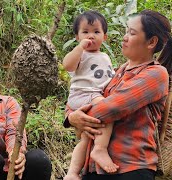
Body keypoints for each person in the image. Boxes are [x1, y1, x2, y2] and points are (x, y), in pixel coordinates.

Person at [63, 10, 172, 180]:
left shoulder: (156, 74)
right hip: (94, 168)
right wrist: (71, 117)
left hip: (131, 168)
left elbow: (111, 108)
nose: (124, 37)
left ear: (151, 42)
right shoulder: (116, 72)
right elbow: (82, 96)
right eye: (126, 31)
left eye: (131, 33)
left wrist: (75, 119)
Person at [62, 11, 117, 180]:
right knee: (108, 108)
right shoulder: (81, 54)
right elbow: (67, 66)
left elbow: (110, 78)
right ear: (77, 37)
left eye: (96, 32)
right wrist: (79, 49)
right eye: (85, 32)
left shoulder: (105, 56)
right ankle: (100, 148)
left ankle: (72, 173)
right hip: (83, 94)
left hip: (94, 95)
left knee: (85, 139)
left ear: (105, 37)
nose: (90, 36)